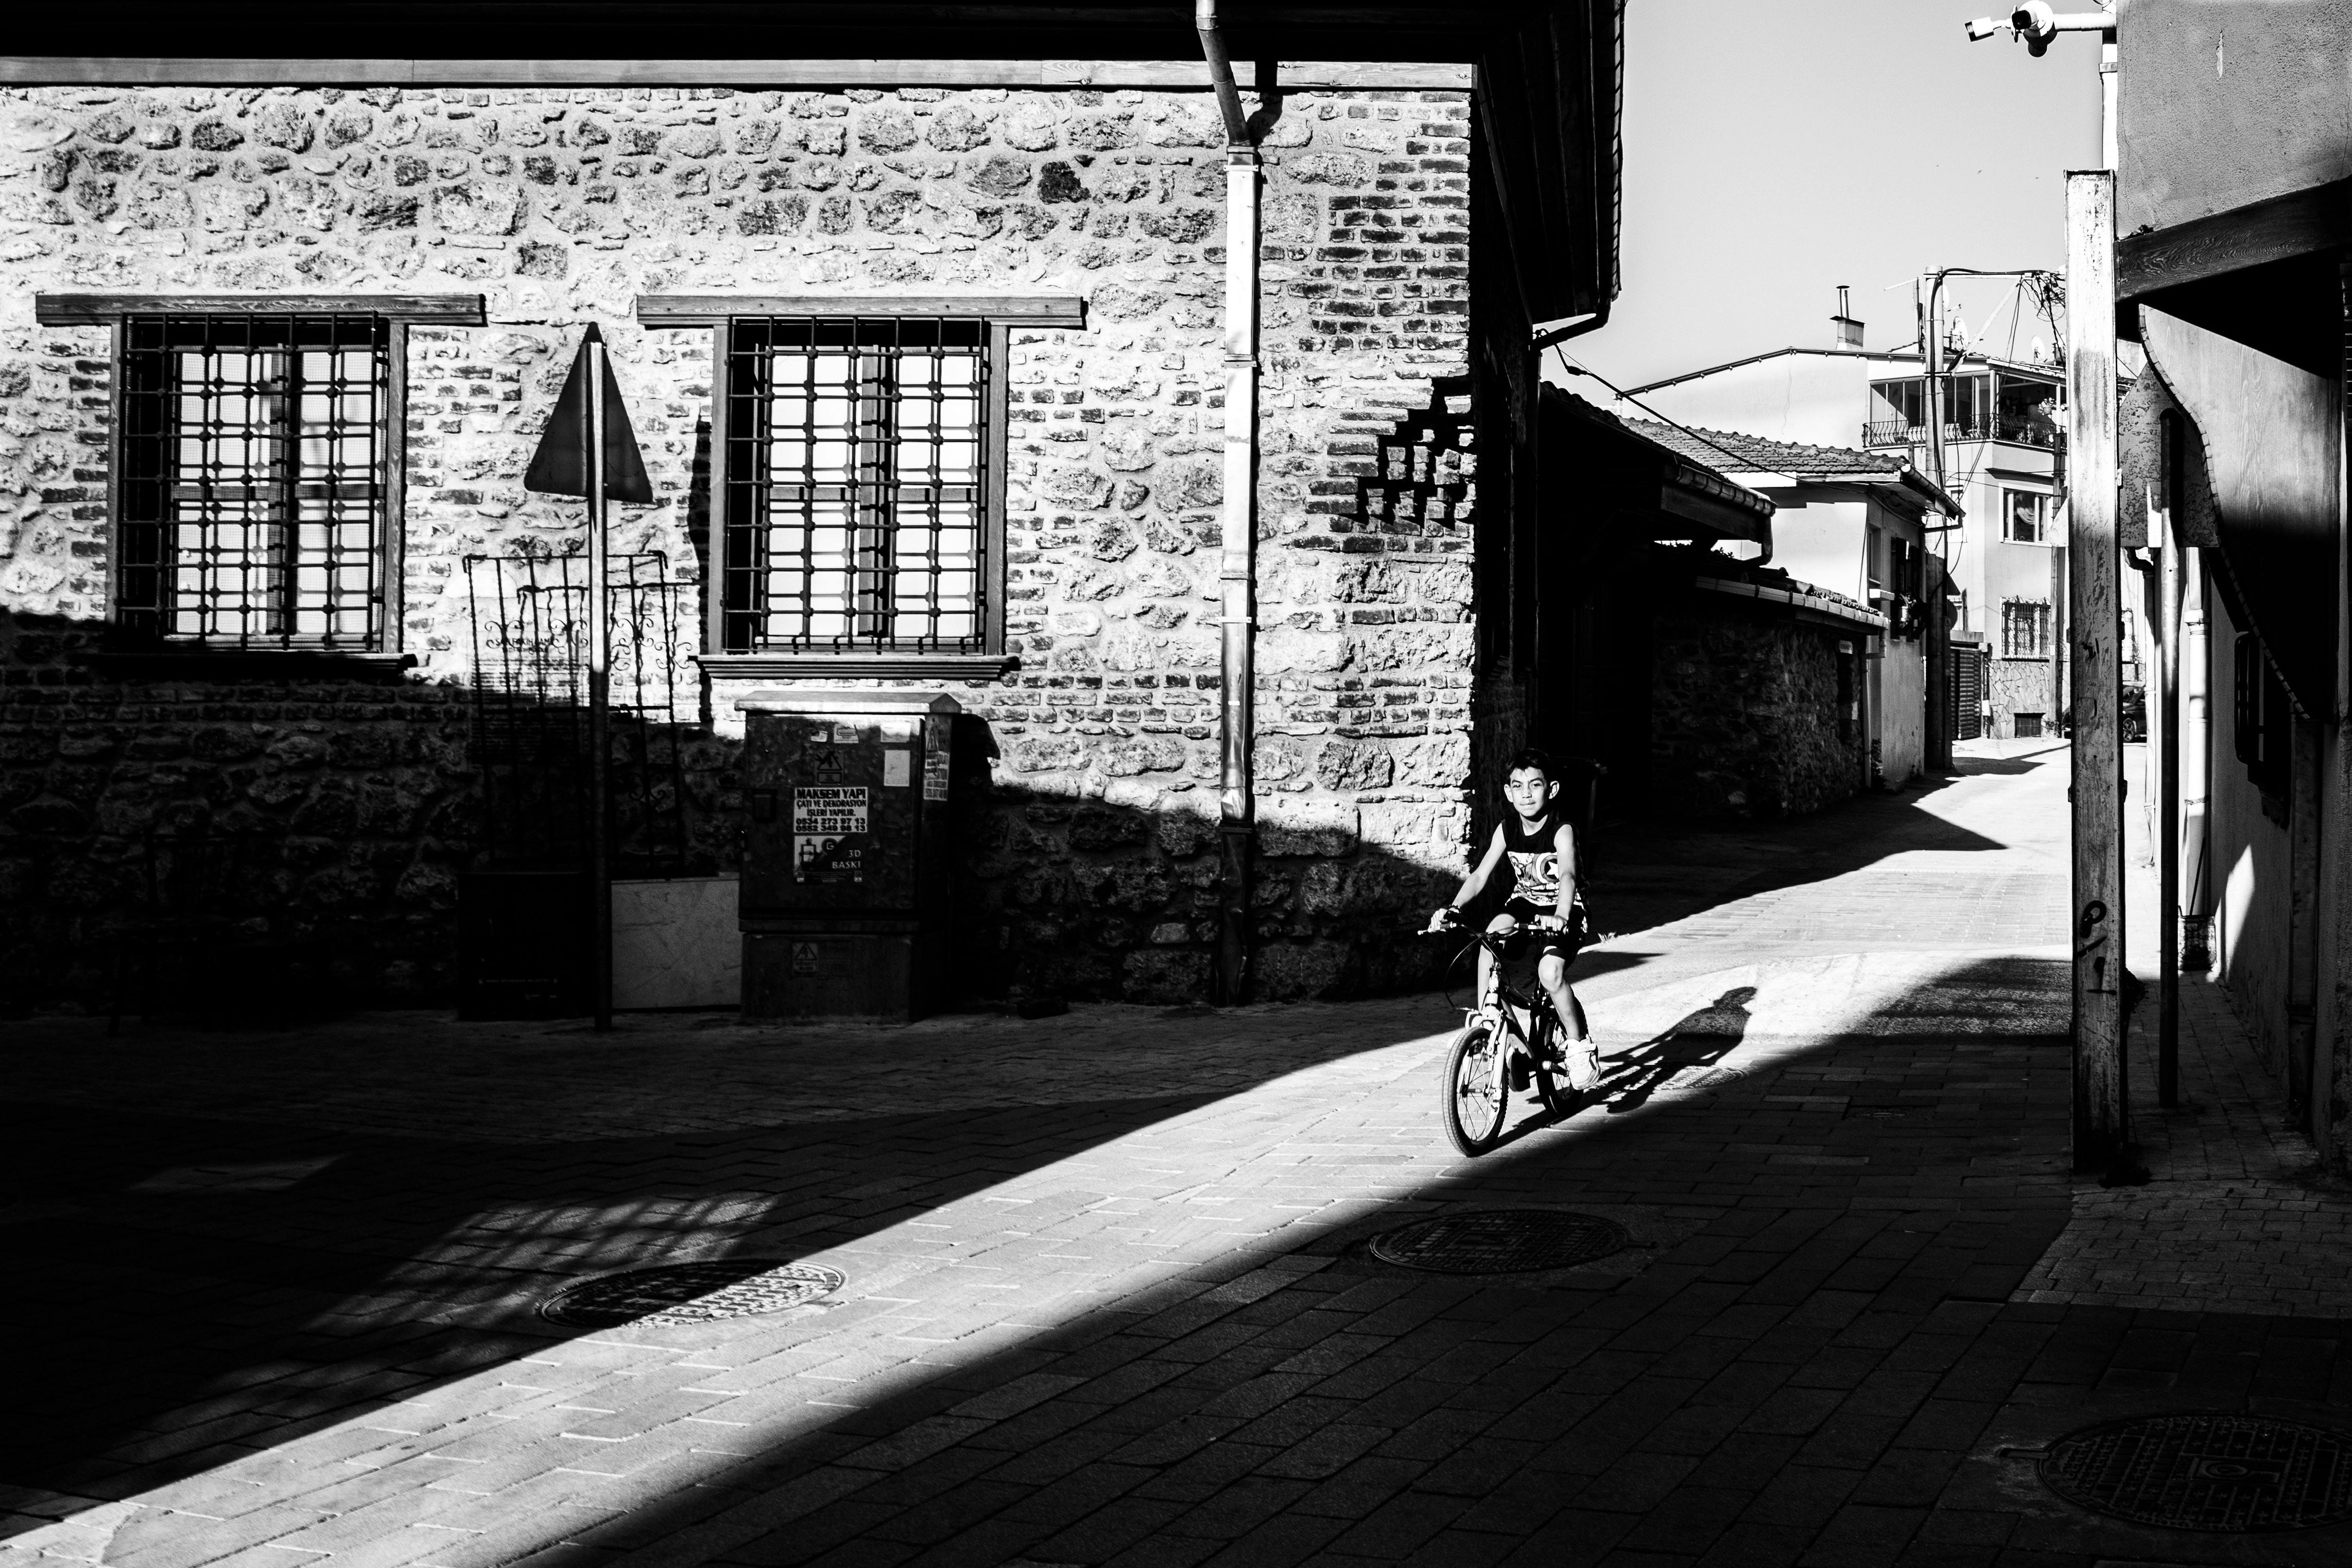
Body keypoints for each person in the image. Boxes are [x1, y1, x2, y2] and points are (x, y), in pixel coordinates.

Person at [1426, 747, 1600, 1092]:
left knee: (1549, 973)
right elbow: (1479, 875)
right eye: (1517, 786)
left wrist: (1561, 916)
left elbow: (1566, 874)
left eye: (1534, 785)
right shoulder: (1507, 829)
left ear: (1550, 790)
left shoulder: (1560, 828)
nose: (1526, 793)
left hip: (1565, 909)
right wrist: (1453, 908)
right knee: (1487, 940)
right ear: (1507, 792)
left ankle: (1580, 1046)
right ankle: (1494, 1026)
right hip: (1524, 903)